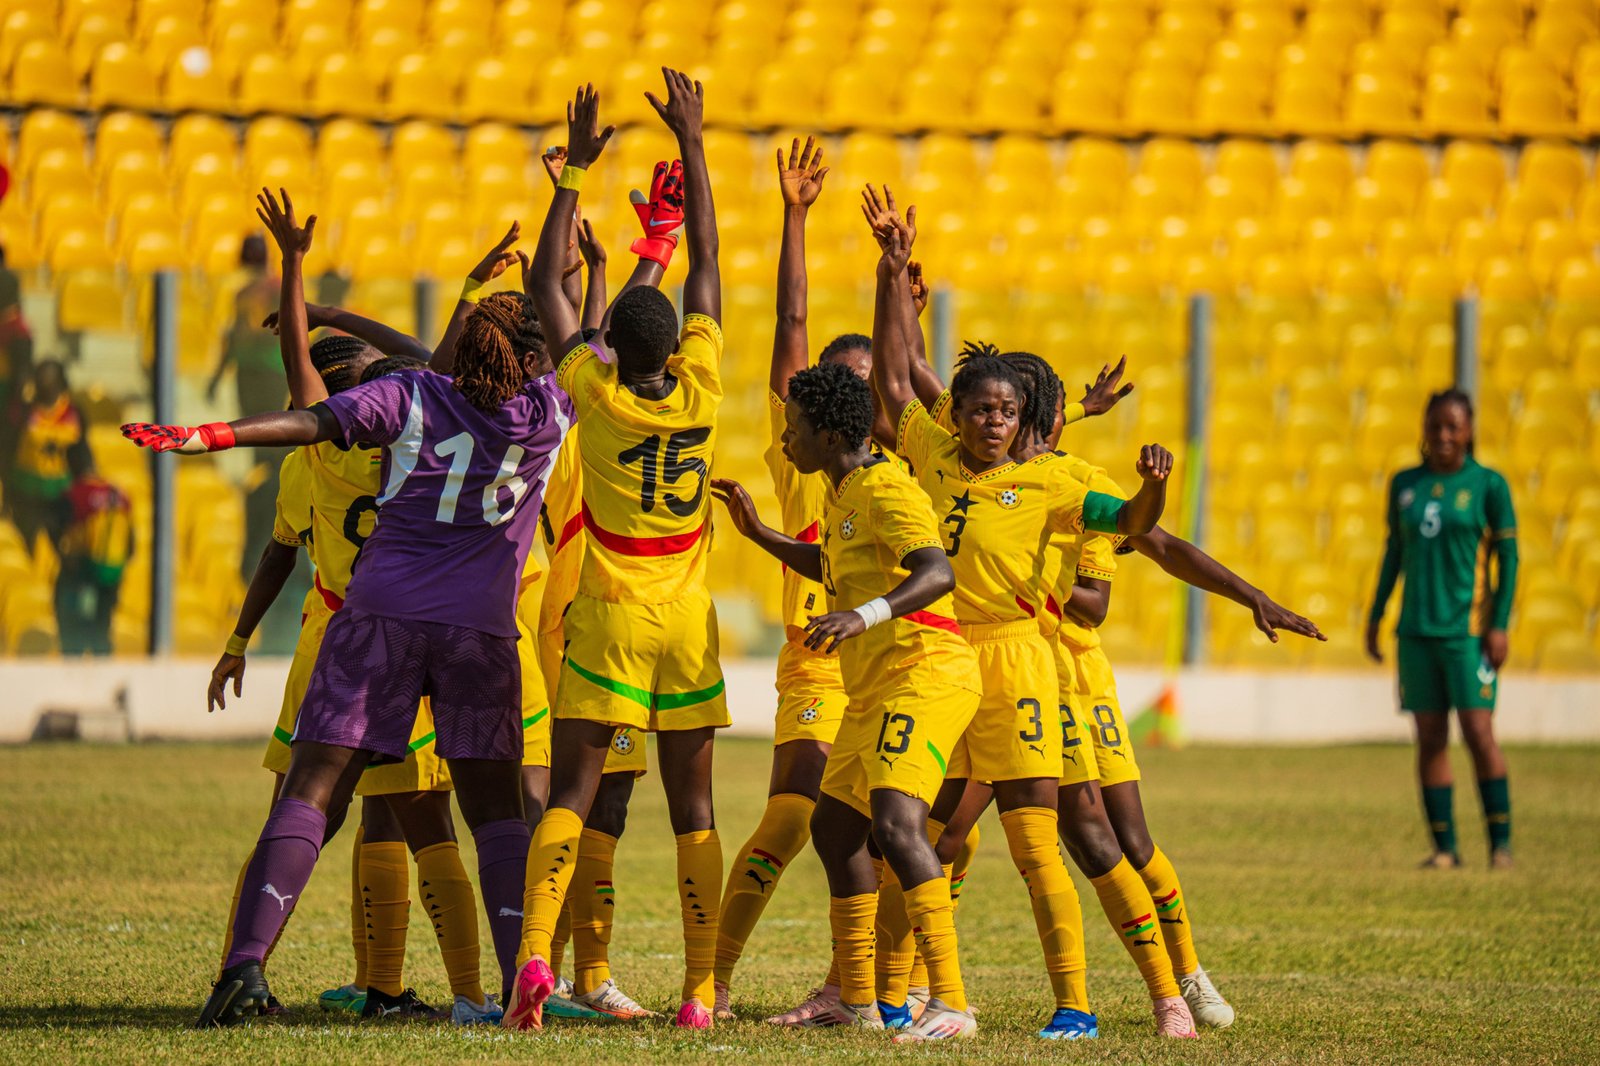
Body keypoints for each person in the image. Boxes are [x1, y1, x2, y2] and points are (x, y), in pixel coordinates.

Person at [125, 187, 572, 1029]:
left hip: (379, 619)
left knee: (312, 789)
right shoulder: (549, 414)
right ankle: (519, 976)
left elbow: (299, 422)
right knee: (494, 813)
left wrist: (206, 436)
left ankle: (245, 968)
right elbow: (486, 342)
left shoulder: (406, 399)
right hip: (482, 629)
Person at [868, 205, 1178, 1040]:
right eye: (978, 409)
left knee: (1036, 839)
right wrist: (892, 275)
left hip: (1016, 663)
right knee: (917, 830)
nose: (992, 421)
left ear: (1023, 417)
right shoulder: (929, 451)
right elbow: (895, 383)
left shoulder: (1052, 482)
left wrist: (1153, 487)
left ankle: (1078, 1004)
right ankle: (893, 994)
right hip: (938, 659)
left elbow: (1130, 522)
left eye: (1006, 411)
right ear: (957, 415)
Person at [509, 74, 728, 1032]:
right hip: (684, 620)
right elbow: (711, 266)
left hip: (602, 613)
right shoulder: (704, 390)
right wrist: (696, 144)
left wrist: (579, 172)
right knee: (693, 809)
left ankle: (533, 964)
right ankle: (700, 990)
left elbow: (541, 291)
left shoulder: (591, 400)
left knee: (571, 793)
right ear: (679, 345)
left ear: (611, 350)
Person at [711, 360, 982, 1042]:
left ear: (831, 436)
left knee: (895, 824)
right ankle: (856, 998)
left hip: (925, 670)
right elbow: (832, 567)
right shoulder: (843, 490)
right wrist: (761, 536)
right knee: (834, 828)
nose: (785, 442)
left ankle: (950, 1003)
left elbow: (936, 571)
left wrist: (861, 616)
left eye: (794, 430)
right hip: (874, 687)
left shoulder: (888, 487)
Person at [1367, 389, 1517, 870]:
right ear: (1425, 429)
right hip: (1415, 631)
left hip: (1468, 634)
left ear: (1470, 430)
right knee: (1429, 737)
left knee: (1478, 732)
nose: (1444, 435)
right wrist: (1376, 614)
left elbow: (1508, 559)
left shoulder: (1489, 486)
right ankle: (1445, 850)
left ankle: (1501, 846)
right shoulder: (1404, 484)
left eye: (1453, 426)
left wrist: (1499, 625)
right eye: (1436, 426)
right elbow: (1394, 552)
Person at [1, 359, 88, 555]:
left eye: (50, 379)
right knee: (24, 548)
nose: (46, 383)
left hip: (60, 494)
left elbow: (80, 453)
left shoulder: (73, 414)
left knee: (61, 549)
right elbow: (8, 451)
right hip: (26, 492)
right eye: (42, 378)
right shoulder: (22, 412)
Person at [54, 449, 132, 656]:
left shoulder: (75, 493)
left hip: (81, 569)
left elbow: (60, 530)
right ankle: (103, 660)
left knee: (74, 621)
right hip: (112, 569)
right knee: (102, 622)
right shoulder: (119, 494)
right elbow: (131, 540)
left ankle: (74, 665)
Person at [208, 235, 287, 423]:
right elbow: (236, 336)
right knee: (265, 432)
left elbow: (237, 336)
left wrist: (216, 378)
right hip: (259, 370)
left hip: (264, 370)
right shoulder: (271, 288)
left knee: (261, 432)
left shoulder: (272, 289)